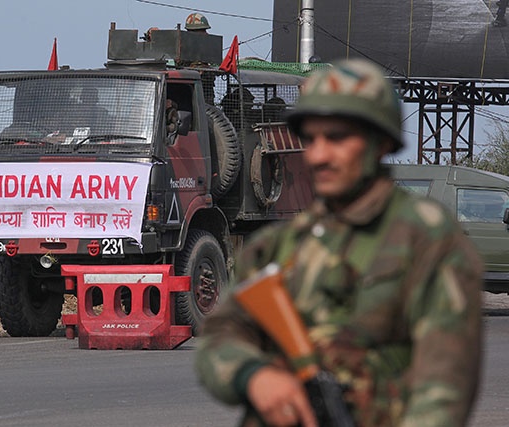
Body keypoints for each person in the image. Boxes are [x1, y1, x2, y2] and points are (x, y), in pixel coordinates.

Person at [195, 59, 482, 426]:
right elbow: (220, 337)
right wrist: (253, 374)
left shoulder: (426, 240)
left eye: (337, 137)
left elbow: (445, 383)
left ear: (380, 143)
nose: (318, 155)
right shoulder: (278, 245)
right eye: (311, 139)